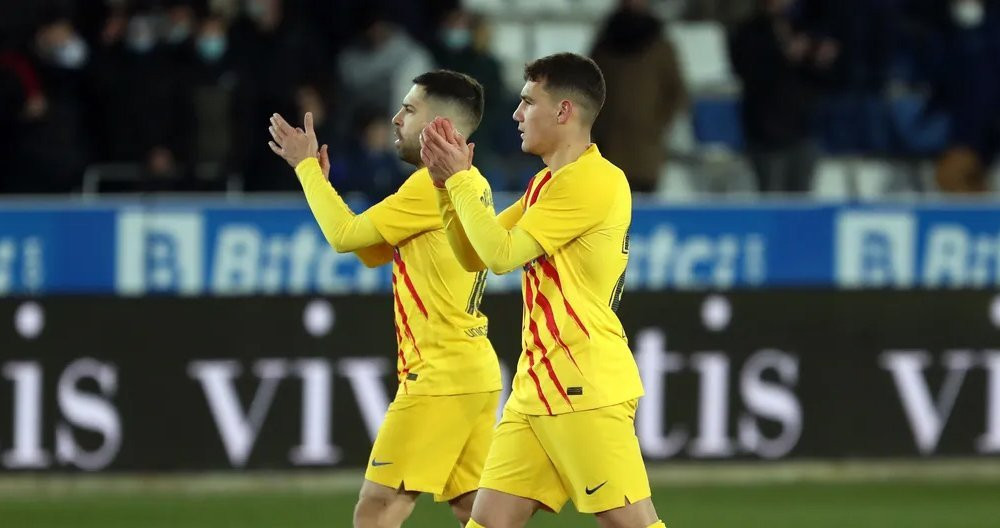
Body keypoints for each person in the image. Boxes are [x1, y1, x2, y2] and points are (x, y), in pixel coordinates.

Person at [421, 53, 665, 528]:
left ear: (564, 112)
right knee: (488, 523)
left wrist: (462, 180)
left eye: (527, 101)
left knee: (631, 524)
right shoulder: (546, 185)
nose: (516, 114)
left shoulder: (595, 181)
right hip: (537, 388)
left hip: (582, 385)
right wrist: (445, 191)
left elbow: (501, 254)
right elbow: (474, 255)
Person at [266, 70, 500, 528]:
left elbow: (343, 236)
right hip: (472, 370)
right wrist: (325, 188)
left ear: (442, 127)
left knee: (377, 511)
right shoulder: (470, 182)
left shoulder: (426, 187)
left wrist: (305, 168)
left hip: (440, 376)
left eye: (409, 110)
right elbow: (371, 251)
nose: (395, 118)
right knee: (477, 512)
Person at [590, 0, 686, 193]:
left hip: (645, 145)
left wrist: (658, 124)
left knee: (644, 206)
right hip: (609, 142)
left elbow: (676, 91)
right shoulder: (605, 44)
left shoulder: (660, 46)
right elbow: (588, 85)